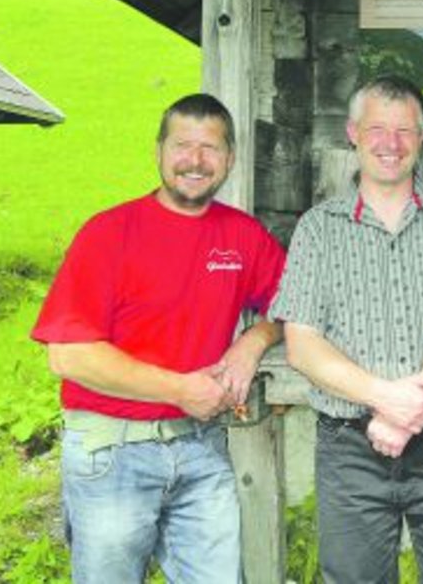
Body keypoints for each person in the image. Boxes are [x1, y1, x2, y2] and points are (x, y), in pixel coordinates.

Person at [31, 93, 286, 584]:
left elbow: (296, 304)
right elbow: (68, 355)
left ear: (229, 159)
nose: (195, 160)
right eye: (182, 145)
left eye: (210, 148)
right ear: (159, 152)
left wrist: (255, 338)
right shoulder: (109, 233)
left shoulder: (243, 237)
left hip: (201, 450)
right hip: (112, 453)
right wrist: (180, 390)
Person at [269, 75, 423, 584]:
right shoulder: (318, 227)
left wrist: (407, 413)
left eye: (404, 130)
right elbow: (302, 345)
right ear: (352, 132)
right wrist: (385, 400)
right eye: (377, 128)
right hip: (350, 447)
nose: (390, 144)